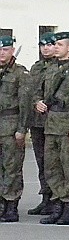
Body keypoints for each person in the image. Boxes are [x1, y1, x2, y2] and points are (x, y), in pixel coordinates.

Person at [33, 30, 69, 225]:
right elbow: (36, 93)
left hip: (68, 126)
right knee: (52, 167)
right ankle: (56, 205)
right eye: (54, 44)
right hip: (50, 125)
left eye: (59, 45)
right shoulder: (49, 70)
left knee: (68, 167)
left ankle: (67, 208)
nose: (55, 47)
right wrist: (38, 103)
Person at [0, 35, 30, 223]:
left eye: (5, 50)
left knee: (12, 167)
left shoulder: (20, 73)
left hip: (11, 125)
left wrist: (22, 129)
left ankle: (11, 205)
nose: (1, 53)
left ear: (12, 51)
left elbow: (24, 104)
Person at [27, 33, 56, 216]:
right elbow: (30, 91)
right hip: (37, 122)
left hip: (54, 121)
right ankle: (45, 197)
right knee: (41, 162)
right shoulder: (36, 68)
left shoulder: (62, 68)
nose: (46, 48)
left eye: (50, 44)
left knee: (54, 163)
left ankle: (56, 199)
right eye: (42, 45)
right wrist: (35, 102)